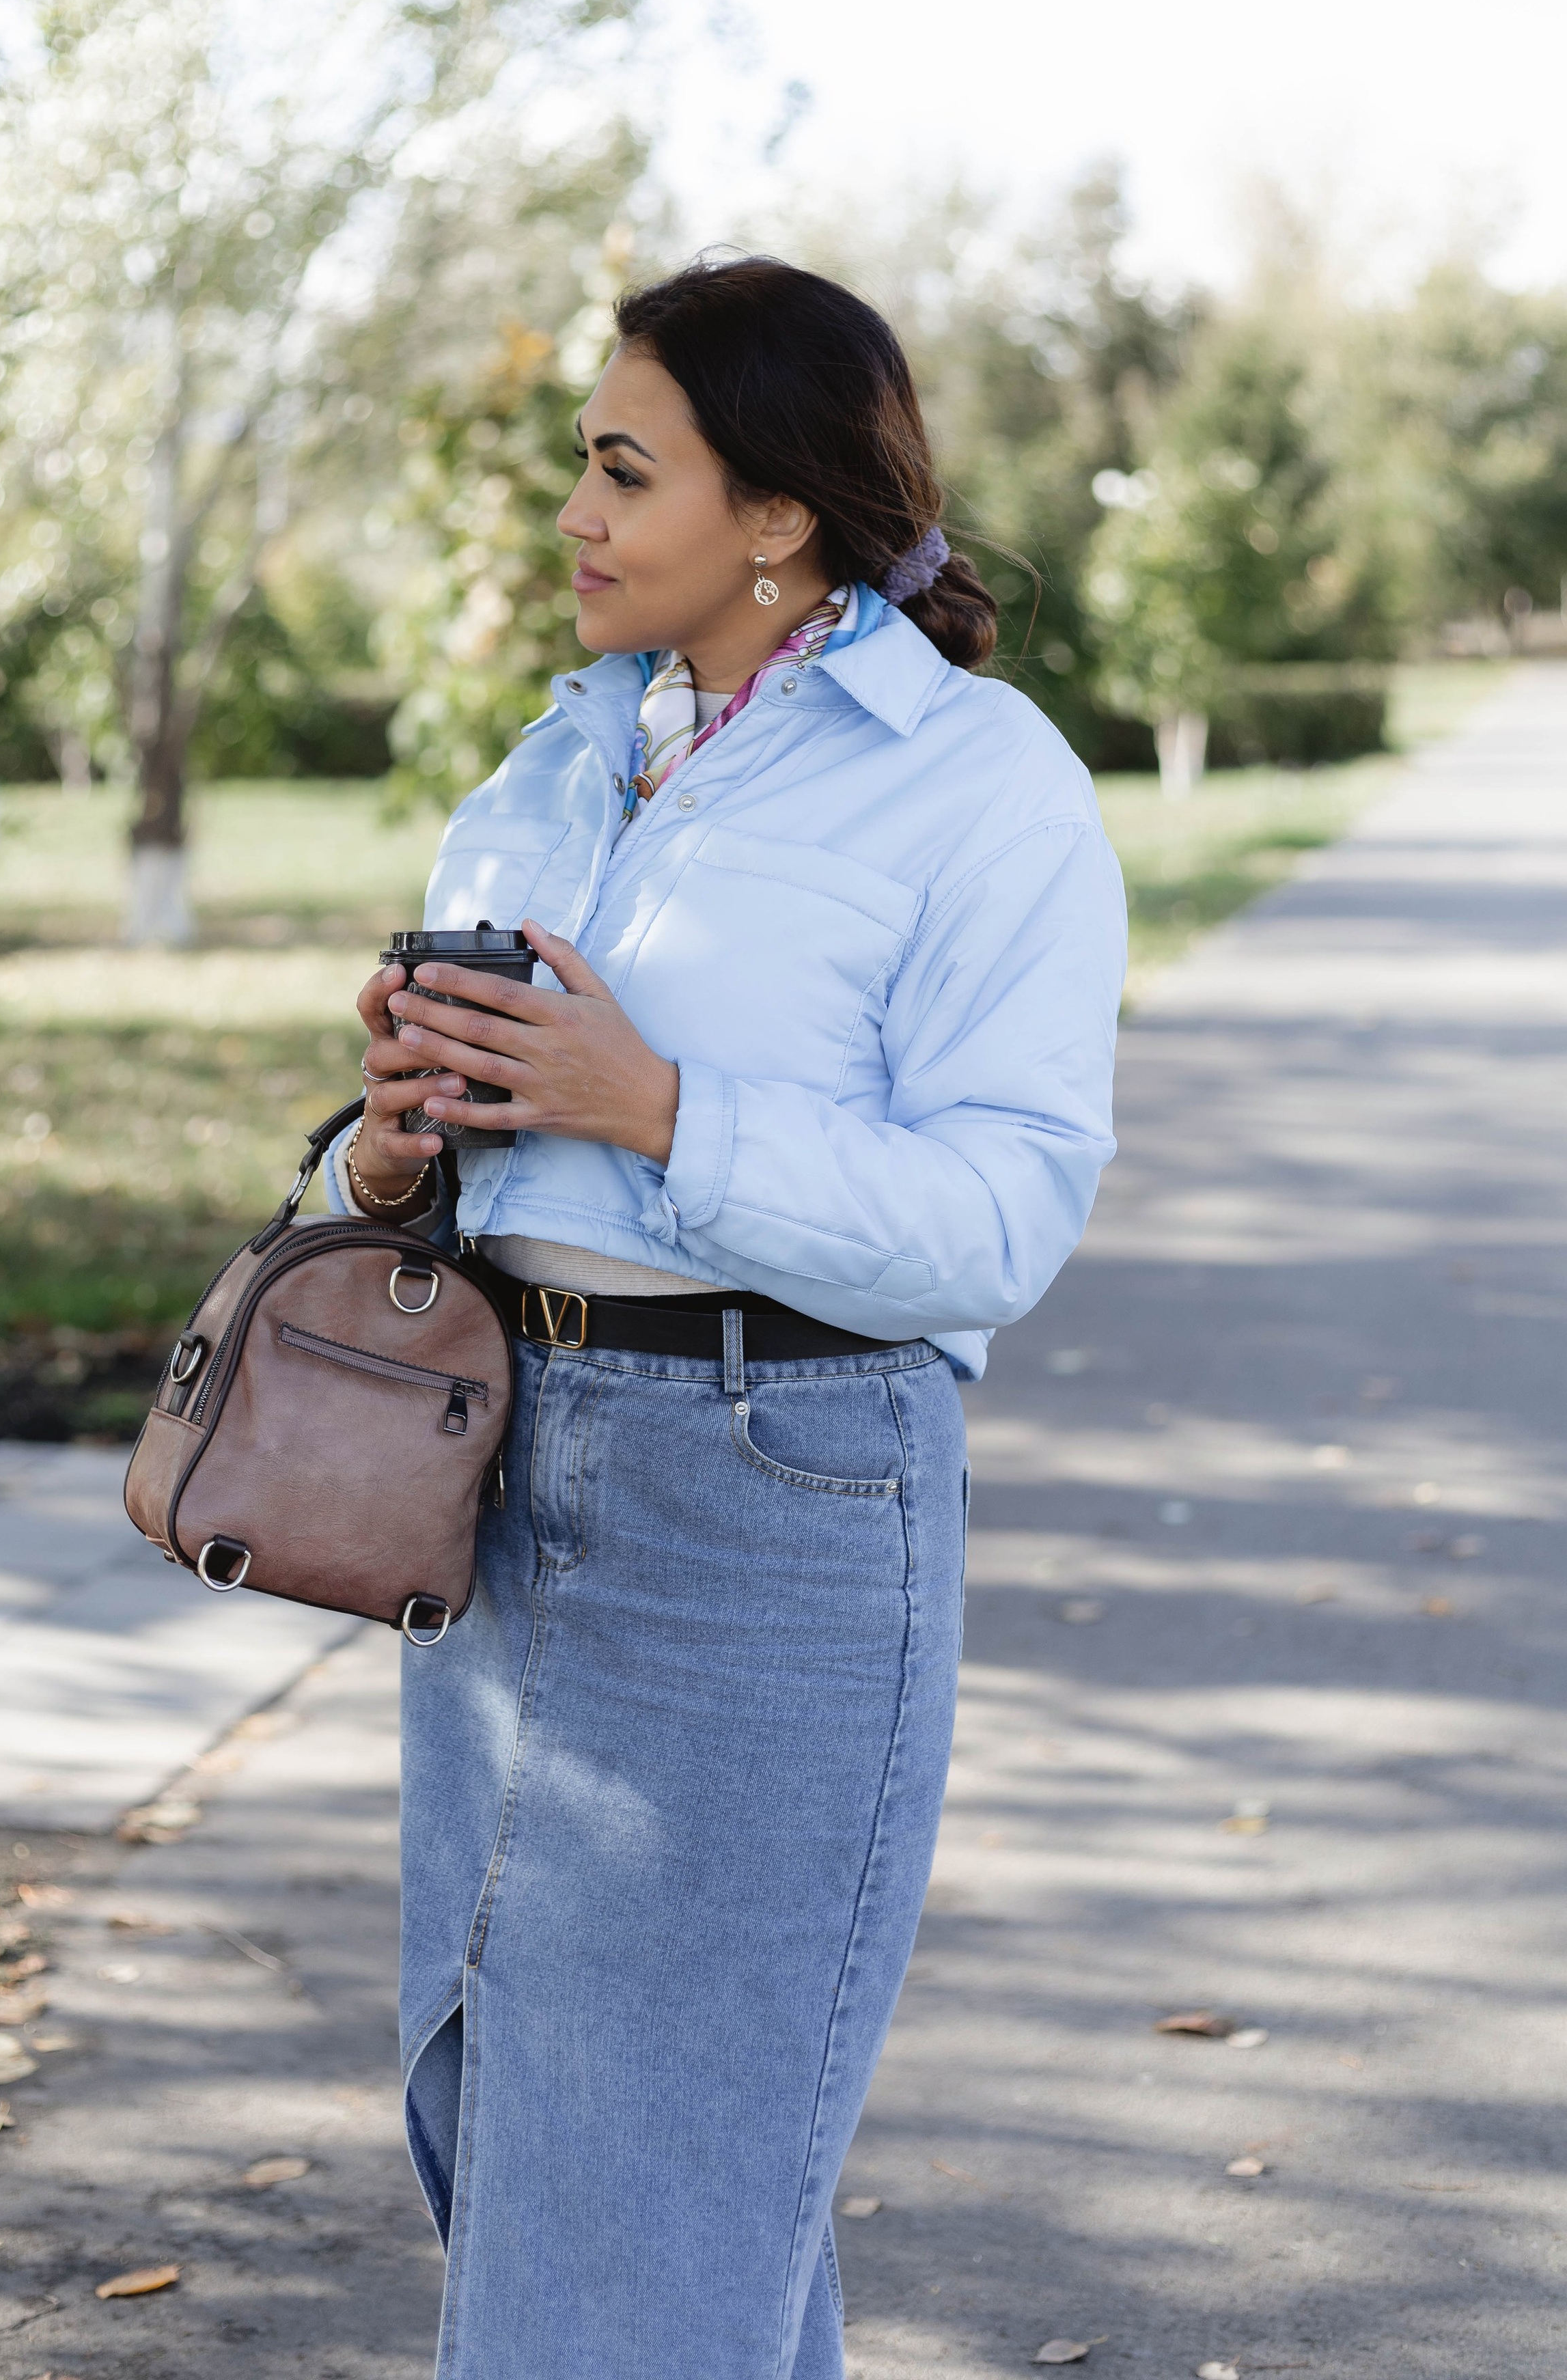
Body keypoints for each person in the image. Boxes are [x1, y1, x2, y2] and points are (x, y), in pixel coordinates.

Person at [329, 255, 1126, 2379]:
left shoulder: (980, 785)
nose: (573, 514)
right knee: (524, 2127)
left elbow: (1000, 1217)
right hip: (503, 1488)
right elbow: (437, 1161)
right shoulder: (556, 767)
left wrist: (656, 1106)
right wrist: (393, 1148)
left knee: (656, 2180)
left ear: (776, 513)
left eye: (621, 467)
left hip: (782, 1504)